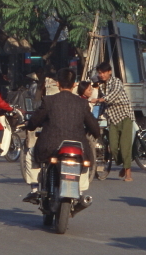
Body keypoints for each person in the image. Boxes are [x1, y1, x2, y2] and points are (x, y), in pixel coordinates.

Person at [23, 67, 101, 203]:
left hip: (50, 146)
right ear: (74, 84)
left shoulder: (49, 100)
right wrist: (94, 133)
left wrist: (29, 125)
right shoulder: (82, 103)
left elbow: (34, 121)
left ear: (58, 83)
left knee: (30, 154)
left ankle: (35, 189)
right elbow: (95, 128)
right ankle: (81, 191)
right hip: (78, 147)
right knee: (84, 162)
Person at [95, 61, 135, 181]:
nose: (101, 75)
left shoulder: (116, 81)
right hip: (112, 118)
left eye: (103, 73)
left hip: (125, 116)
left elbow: (113, 95)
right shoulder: (101, 86)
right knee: (112, 147)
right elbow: (104, 105)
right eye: (99, 73)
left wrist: (100, 99)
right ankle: (123, 163)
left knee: (125, 146)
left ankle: (128, 173)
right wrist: (96, 116)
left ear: (109, 72)